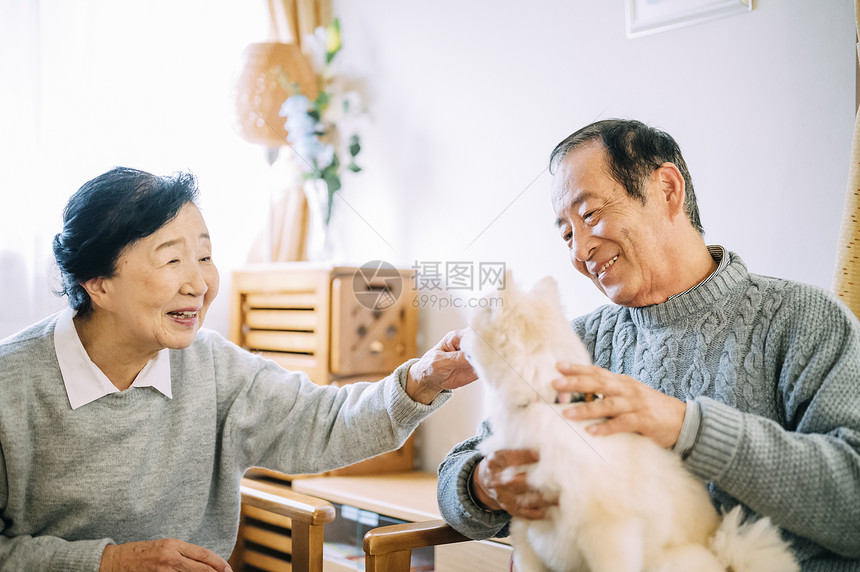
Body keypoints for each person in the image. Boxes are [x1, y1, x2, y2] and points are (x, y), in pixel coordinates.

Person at [0, 167, 477, 571]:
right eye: (172, 260)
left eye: (205, 257)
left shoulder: (209, 365)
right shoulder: (11, 385)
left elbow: (325, 421)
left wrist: (420, 382)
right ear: (98, 283)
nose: (200, 283)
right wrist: (110, 562)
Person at [437, 119, 860, 570]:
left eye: (590, 214)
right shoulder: (579, 341)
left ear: (667, 189)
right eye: (566, 233)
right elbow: (458, 471)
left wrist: (686, 427)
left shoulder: (804, 320)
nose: (579, 250)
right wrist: (482, 485)